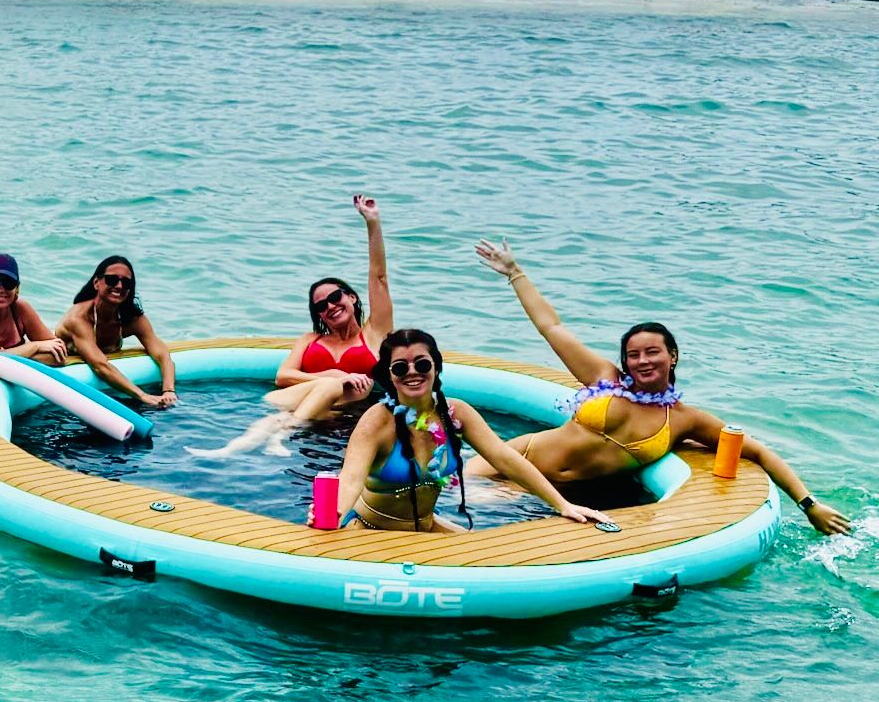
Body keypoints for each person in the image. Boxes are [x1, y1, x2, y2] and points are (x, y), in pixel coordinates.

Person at [472, 240, 850, 532]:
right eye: (633, 355)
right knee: (466, 507)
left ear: (673, 356)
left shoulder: (682, 420)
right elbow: (551, 327)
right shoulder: (605, 380)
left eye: (652, 352)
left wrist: (809, 504)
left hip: (553, 496)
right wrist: (515, 272)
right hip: (504, 464)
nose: (642, 361)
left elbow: (760, 453)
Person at [328, 330, 604, 533]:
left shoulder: (455, 414)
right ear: (389, 375)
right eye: (400, 367)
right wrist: (333, 513)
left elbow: (505, 459)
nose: (412, 372)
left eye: (422, 364)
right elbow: (351, 478)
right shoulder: (377, 421)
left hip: (425, 527)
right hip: (368, 528)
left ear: (436, 367)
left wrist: (562, 504)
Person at [192, 195, 394, 457]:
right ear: (319, 315)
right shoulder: (311, 339)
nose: (330, 306)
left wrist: (373, 223)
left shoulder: (374, 334)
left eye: (335, 297)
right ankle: (276, 437)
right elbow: (283, 377)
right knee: (329, 388)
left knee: (274, 422)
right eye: (321, 306)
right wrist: (334, 377)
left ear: (352, 297)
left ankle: (230, 450)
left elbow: (379, 279)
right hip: (292, 402)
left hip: (337, 414)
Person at [57, 256, 178, 408]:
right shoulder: (79, 318)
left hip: (107, 381)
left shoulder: (131, 317)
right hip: (73, 378)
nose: (120, 286)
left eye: (126, 282)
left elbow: (162, 354)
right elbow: (99, 365)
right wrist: (142, 395)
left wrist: (168, 390)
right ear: (96, 283)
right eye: (112, 280)